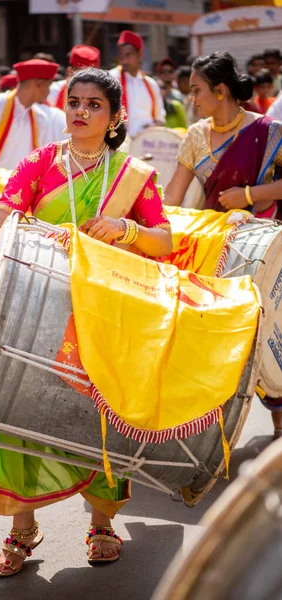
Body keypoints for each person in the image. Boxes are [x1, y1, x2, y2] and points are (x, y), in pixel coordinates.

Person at [0, 67, 172, 577]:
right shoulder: (41, 162)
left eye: (95, 105)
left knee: (97, 421)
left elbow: (164, 241)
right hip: (33, 311)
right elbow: (0, 216)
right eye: (74, 101)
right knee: (20, 415)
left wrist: (125, 227)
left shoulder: (132, 174)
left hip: (103, 317)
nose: (81, 111)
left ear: (116, 116)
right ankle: (22, 529)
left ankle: (102, 526)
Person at [164, 51, 282, 439]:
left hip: (263, 247)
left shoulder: (268, 131)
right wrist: (153, 229)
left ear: (220, 90)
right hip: (211, 250)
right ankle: (205, 430)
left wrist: (249, 192)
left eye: (197, 90)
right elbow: (175, 195)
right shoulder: (196, 134)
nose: (191, 99)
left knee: (266, 333)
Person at [0, 59, 67, 170]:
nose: (48, 93)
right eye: (48, 86)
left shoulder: (41, 114)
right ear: (39, 84)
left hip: (23, 184)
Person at [110, 30, 165, 138]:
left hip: (147, 144)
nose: (124, 61)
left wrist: (155, 125)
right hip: (119, 145)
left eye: (128, 55)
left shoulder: (151, 84)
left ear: (140, 55)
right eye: (121, 56)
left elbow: (160, 116)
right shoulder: (111, 79)